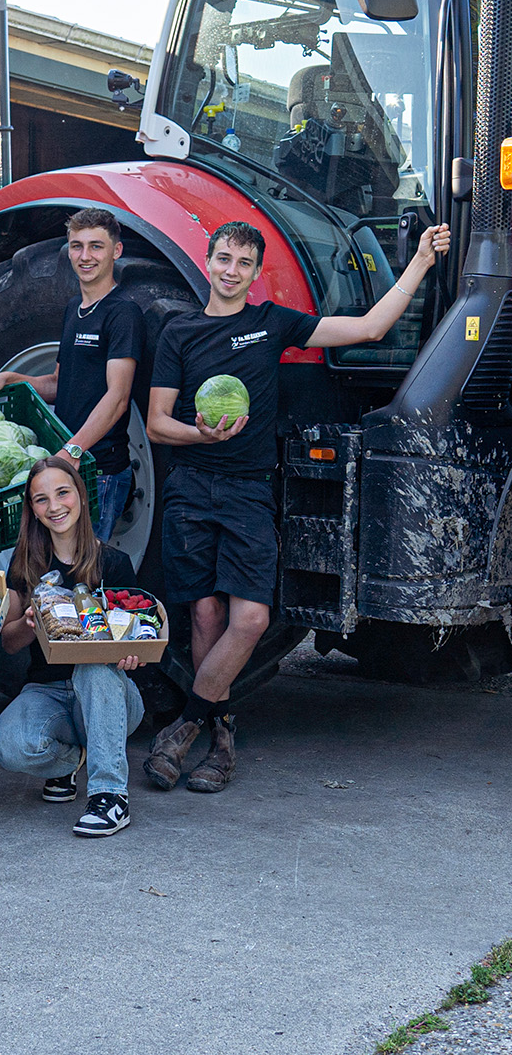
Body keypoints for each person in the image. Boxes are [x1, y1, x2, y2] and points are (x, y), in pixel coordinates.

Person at [145, 217, 451, 794]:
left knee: (252, 619)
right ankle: (222, 740)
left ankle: (185, 726)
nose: (230, 271)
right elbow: (158, 424)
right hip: (192, 488)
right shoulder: (179, 334)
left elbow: (368, 328)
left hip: (248, 490)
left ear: (257, 274)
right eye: (223, 259)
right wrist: (201, 435)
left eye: (242, 263)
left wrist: (421, 264)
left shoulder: (270, 324)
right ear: (208, 263)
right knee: (206, 616)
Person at [0, 456, 146, 836]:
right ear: (33, 511)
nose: (54, 506)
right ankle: (71, 762)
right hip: (49, 693)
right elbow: (7, 644)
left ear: (81, 496)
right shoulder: (24, 565)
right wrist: (28, 625)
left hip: (111, 694)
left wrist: (132, 654)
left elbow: (140, 635)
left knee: (93, 662)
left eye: (62, 493)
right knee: (6, 747)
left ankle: (110, 797)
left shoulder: (115, 563)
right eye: (41, 499)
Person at [0, 208, 147, 541]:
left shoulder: (123, 314)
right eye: (77, 246)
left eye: (96, 246)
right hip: (67, 464)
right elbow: (57, 383)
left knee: (82, 570)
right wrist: (9, 379)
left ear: (116, 251)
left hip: (99, 471)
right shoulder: (74, 309)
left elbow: (118, 396)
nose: (85, 256)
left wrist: (74, 451)